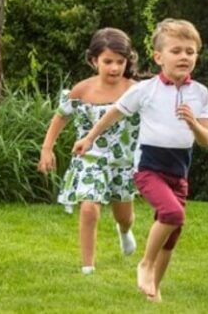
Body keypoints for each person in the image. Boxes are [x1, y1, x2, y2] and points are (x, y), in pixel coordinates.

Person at [72, 18, 208, 302]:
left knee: (173, 232)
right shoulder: (145, 89)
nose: (184, 56)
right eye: (176, 51)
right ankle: (145, 265)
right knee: (173, 215)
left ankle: (155, 290)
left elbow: (206, 140)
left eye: (190, 51)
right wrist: (89, 138)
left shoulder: (199, 93)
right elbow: (114, 113)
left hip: (179, 170)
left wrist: (193, 124)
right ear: (159, 57)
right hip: (149, 168)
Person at [38, 27, 140, 275]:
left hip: (123, 162)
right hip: (89, 158)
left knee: (124, 215)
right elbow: (60, 117)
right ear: (94, 61)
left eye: (120, 62)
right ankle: (87, 267)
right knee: (89, 206)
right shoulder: (82, 90)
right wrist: (47, 148)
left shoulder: (136, 90)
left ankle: (124, 231)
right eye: (108, 62)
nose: (114, 68)